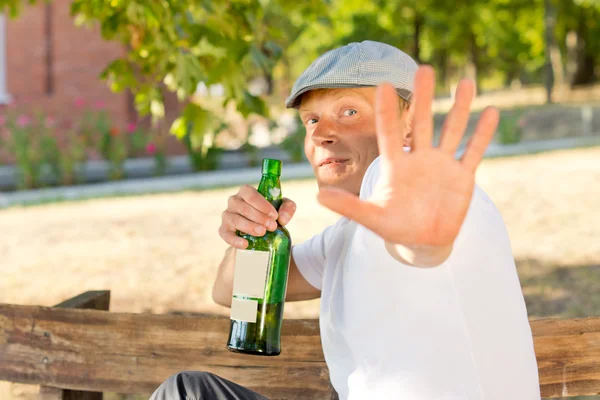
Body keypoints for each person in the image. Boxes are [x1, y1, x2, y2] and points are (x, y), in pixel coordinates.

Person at [150, 40, 540, 400]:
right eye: (311, 120)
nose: (321, 134)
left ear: (409, 120)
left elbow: (418, 236)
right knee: (188, 391)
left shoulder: (405, 178)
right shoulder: (344, 237)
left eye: (348, 111)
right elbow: (229, 292)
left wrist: (422, 239)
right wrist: (248, 235)